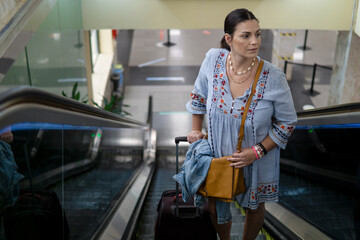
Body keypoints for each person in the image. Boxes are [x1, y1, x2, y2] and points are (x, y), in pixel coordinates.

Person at [186, 9, 297, 240]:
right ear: (229, 39)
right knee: (216, 205)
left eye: (258, 34)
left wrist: (256, 152)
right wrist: (196, 128)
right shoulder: (213, 60)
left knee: (254, 207)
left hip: (256, 160)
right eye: (246, 35)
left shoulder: (273, 77)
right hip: (219, 156)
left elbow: (286, 124)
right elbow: (198, 96)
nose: (255, 41)